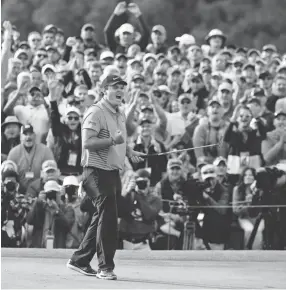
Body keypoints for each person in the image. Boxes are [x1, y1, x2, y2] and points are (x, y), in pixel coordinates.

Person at [66, 74, 145, 280]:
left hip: (112, 173)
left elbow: (119, 140)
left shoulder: (118, 113)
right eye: (115, 86)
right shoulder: (96, 111)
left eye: (122, 87)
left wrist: (128, 151)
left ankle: (80, 260)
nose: (120, 90)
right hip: (95, 171)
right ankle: (105, 267)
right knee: (108, 217)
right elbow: (87, 142)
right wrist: (112, 141)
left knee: (102, 216)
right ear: (103, 90)